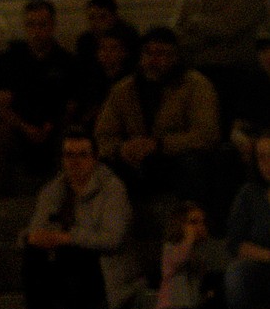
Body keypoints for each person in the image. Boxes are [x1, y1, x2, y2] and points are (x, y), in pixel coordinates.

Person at [21, 129, 143, 309]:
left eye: (82, 155)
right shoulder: (53, 189)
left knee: (72, 257)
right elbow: (36, 227)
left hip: (103, 264)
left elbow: (113, 239)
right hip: (60, 257)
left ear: (95, 158)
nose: (75, 161)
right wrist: (31, 237)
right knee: (34, 257)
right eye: (69, 155)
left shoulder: (112, 189)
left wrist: (69, 238)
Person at [94, 27, 221, 214]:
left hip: (174, 157)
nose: (153, 60)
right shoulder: (124, 89)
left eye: (161, 53)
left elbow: (207, 134)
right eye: (148, 53)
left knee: (191, 164)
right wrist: (122, 148)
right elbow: (104, 134)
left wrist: (159, 144)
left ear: (175, 56)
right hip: (134, 159)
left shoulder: (196, 85)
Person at [0, 0, 80, 197]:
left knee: (73, 137)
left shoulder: (67, 62)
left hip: (55, 130)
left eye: (42, 24)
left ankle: (67, 202)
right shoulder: (9, 60)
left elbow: (71, 105)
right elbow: (2, 105)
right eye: (31, 24)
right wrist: (25, 127)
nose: (36, 31)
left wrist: (51, 126)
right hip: (18, 129)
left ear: (52, 26)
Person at [175, 0, 269, 135]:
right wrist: (212, 33)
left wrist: (196, 24)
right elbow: (179, 40)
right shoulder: (189, 0)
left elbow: (227, 29)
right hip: (196, 76)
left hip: (236, 76)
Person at [152, 200, 239, 309]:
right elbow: (179, 259)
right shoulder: (171, 247)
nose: (199, 226)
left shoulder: (198, 254)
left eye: (202, 222)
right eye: (193, 222)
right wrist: (189, 238)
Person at [224, 131, 270, 309]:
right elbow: (236, 243)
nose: (267, 164)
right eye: (262, 157)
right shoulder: (249, 194)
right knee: (236, 274)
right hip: (261, 271)